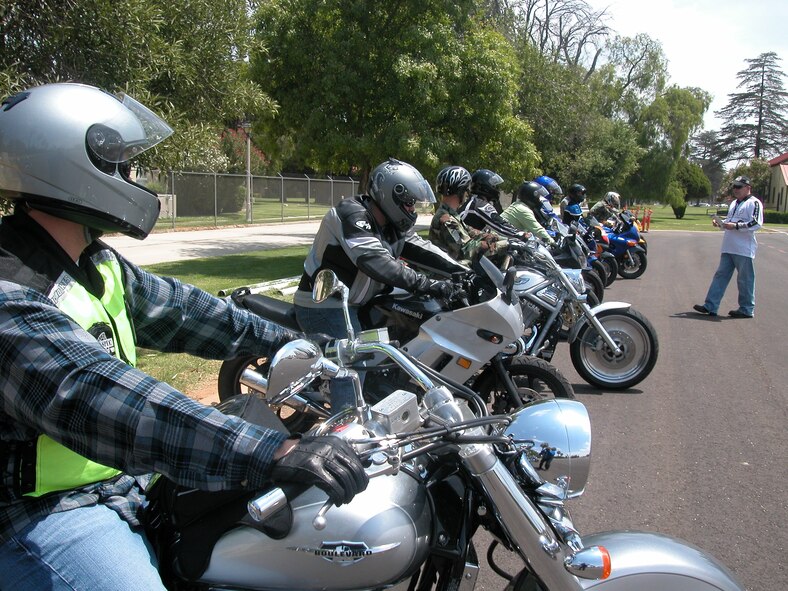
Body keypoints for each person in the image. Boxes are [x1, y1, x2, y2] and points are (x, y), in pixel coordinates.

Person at [0, 83, 368, 590]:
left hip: (124, 483)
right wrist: (271, 452)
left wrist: (302, 350)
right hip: (45, 514)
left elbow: (196, 314)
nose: (131, 177)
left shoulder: (94, 264)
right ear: (73, 166)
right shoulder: (10, 294)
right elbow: (105, 398)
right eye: (121, 164)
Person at [293, 158, 467, 337]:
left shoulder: (392, 224)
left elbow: (423, 249)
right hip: (325, 306)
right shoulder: (352, 216)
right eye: (409, 203)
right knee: (359, 362)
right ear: (391, 197)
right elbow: (376, 261)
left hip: (361, 302)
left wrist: (465, 272)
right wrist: (427, 284)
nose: (413, 209)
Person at [693, 176, 763, 318]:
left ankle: (746, 308)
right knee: (720, 276)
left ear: (748, 187)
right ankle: (711, 306)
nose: (735, 190)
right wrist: (721, 223)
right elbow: (730, 222)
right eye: (734, 187)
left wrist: (735, 226)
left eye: (739, 187)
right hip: (728, 246)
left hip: (743, 249)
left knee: (745, 279)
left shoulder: (754, 203)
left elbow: (756, 223)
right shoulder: (734, 204)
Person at [429, 165, 505, 262]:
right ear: (460, 190)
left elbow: (472, 233)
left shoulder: (451, 215)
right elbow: (466, 250)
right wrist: (503, 246)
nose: (467, 193)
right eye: (466, 190)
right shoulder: (446, 220)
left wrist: (500, 238)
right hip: (446, 275)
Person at [458, 169, 530, 240]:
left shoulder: (472, 202)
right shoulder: (480, 205)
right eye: (494, 185)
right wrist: (522, 234)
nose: (496, 189)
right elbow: (500, 224)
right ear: (486, 186)